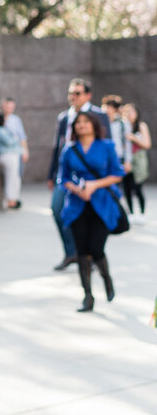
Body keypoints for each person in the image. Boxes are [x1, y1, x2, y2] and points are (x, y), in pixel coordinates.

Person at [58, 112, 124, 312]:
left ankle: (106, 278)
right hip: (77, 206)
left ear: (94, 125)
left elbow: (118, 174)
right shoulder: (69, 150)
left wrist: (94, 185)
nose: (82, 125)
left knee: (96, 249)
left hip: (102, 205)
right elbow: (63, 177)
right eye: (78, 123)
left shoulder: (107, 147)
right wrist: (77, 189)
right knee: (81, 252)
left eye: (86, 122)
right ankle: (88, 295)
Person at [48, 79, 111, 272]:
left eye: (77, 93)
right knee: (58, 210)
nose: (72, 97)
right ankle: (71, 252)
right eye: (70, 93)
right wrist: (52, 173)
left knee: (92, 218)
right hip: (67, 175)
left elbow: (108, 146)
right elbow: (58, 146)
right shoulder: (63, 117)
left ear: (87, 95)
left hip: (93, 177)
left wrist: (103, 180)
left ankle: (90, 254)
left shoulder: (100, 115)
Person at [121, 103, 151, 224]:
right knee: (126, 188)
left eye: (131, 112)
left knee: (137, 188)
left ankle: (142, 213)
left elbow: (147, 144)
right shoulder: (122, 126)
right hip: (126, 160)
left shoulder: (141, 126)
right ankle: (131, 213)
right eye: (127, 112)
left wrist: (134, 138)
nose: (129, 115)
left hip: (138, 161)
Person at [0, 114, 22, 209]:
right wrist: (15, 138)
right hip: (8, 157)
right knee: (12, 178)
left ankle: (12, 199)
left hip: (0, 158)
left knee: (10, 178)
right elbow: (10, 141)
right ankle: (11, 200)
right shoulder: (0, 131)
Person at [1, 97, 29, 184]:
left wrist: (25, 151)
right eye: (8, 107)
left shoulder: (16, 120)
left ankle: (14, 196)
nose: (9, 109)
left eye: (11, 107)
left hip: (17, 151)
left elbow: (22, 137)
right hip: (5, 152)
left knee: (17, 175)